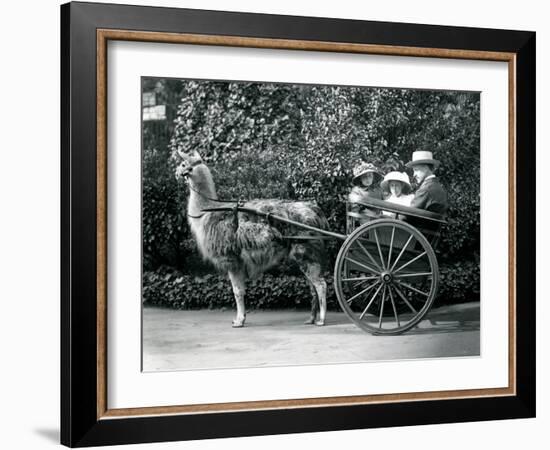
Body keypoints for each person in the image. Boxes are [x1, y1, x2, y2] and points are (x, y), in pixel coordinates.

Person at [405, 151, 449, 215]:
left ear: (426, 168)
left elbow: (409, 214)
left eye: (416, 170)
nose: (414, 175)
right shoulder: (437, 186)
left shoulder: (426, 189)